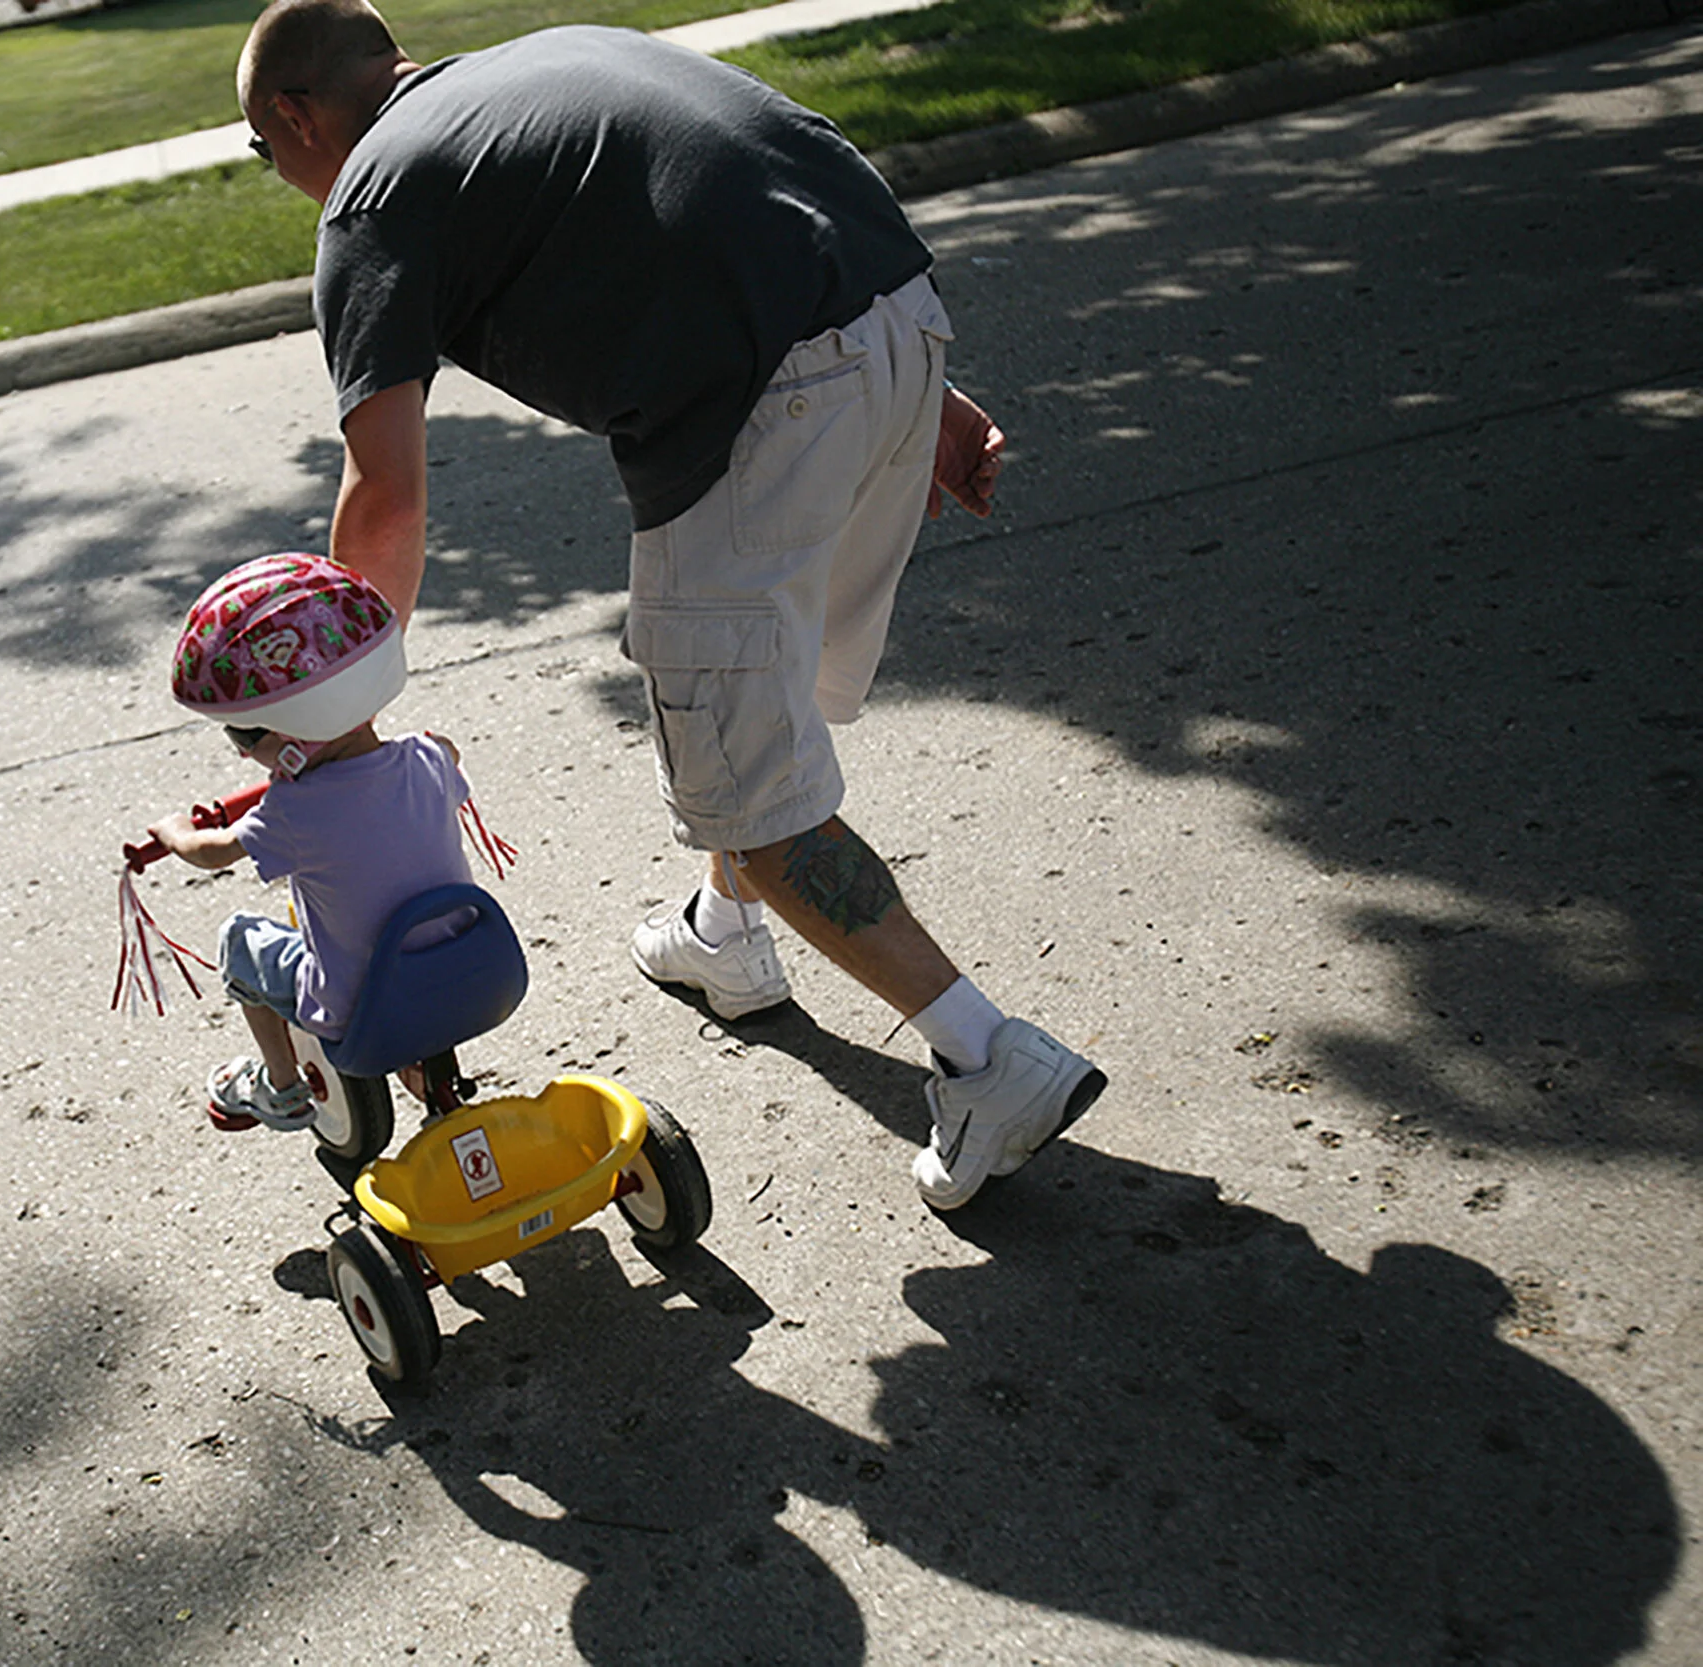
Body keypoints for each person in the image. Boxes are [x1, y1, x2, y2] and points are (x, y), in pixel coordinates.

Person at [236, 0, 1104, 1207]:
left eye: (260, 151)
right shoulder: (549, 61)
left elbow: (383, 493)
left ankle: (986, 1055)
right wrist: (917, 394)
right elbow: (752, 169)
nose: (275, 174)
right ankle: (723, 934)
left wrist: (328, 724)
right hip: (889, 322)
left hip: (764, 398)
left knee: (753, 795)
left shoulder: (372, 192)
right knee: (762, 701)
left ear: (293, 112)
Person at [147, 551, 474, 1130]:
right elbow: (448, 750)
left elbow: (214, 853)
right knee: (404, 923)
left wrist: (175, 833)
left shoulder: (294, 812)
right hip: (475, 975)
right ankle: (430, 1076)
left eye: (243, 735)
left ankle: (281, 1087)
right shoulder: (426, 761)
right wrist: (435, 749)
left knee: (242, 940)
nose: (244, 751)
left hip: (361, 1008)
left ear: (289, 731)